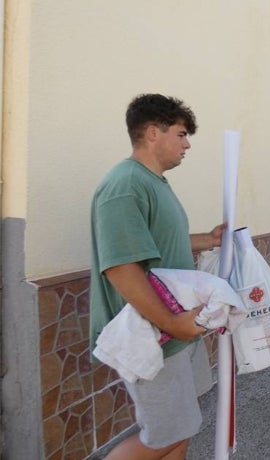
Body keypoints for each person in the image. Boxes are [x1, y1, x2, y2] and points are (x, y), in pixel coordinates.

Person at [89, 93, 226, 460]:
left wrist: (208, 240)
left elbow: (159, 242)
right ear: (153, 132)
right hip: (153, 333)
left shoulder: (154, 183)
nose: (187, 144)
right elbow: (121, 268)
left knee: (180, 432)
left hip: (172, 332)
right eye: (181, 134)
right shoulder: (124, 186)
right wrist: (173, 323)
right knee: (163, 437)